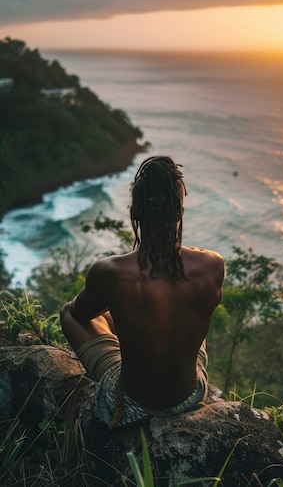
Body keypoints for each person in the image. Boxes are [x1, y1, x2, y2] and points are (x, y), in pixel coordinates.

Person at [60, 156, 224, 429]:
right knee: (182, 317)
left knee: (69, 312)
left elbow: (80, 313)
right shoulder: (211, 266)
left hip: (132, 404)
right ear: (178, 212)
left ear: (135, 213)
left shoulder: (111, 272)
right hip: (191, 396)